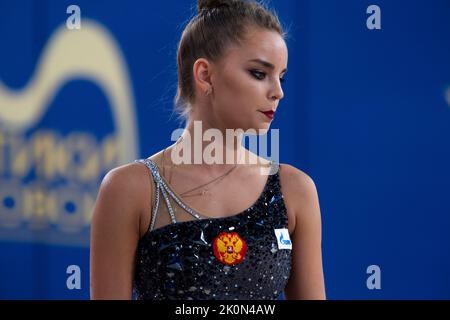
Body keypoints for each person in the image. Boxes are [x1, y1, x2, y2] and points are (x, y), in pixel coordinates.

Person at [90, 0, 326, 300]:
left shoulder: (294, 191)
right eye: (258, 73)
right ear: (205, 75)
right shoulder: (130, 190)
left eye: (281, 76)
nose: (278, 91)